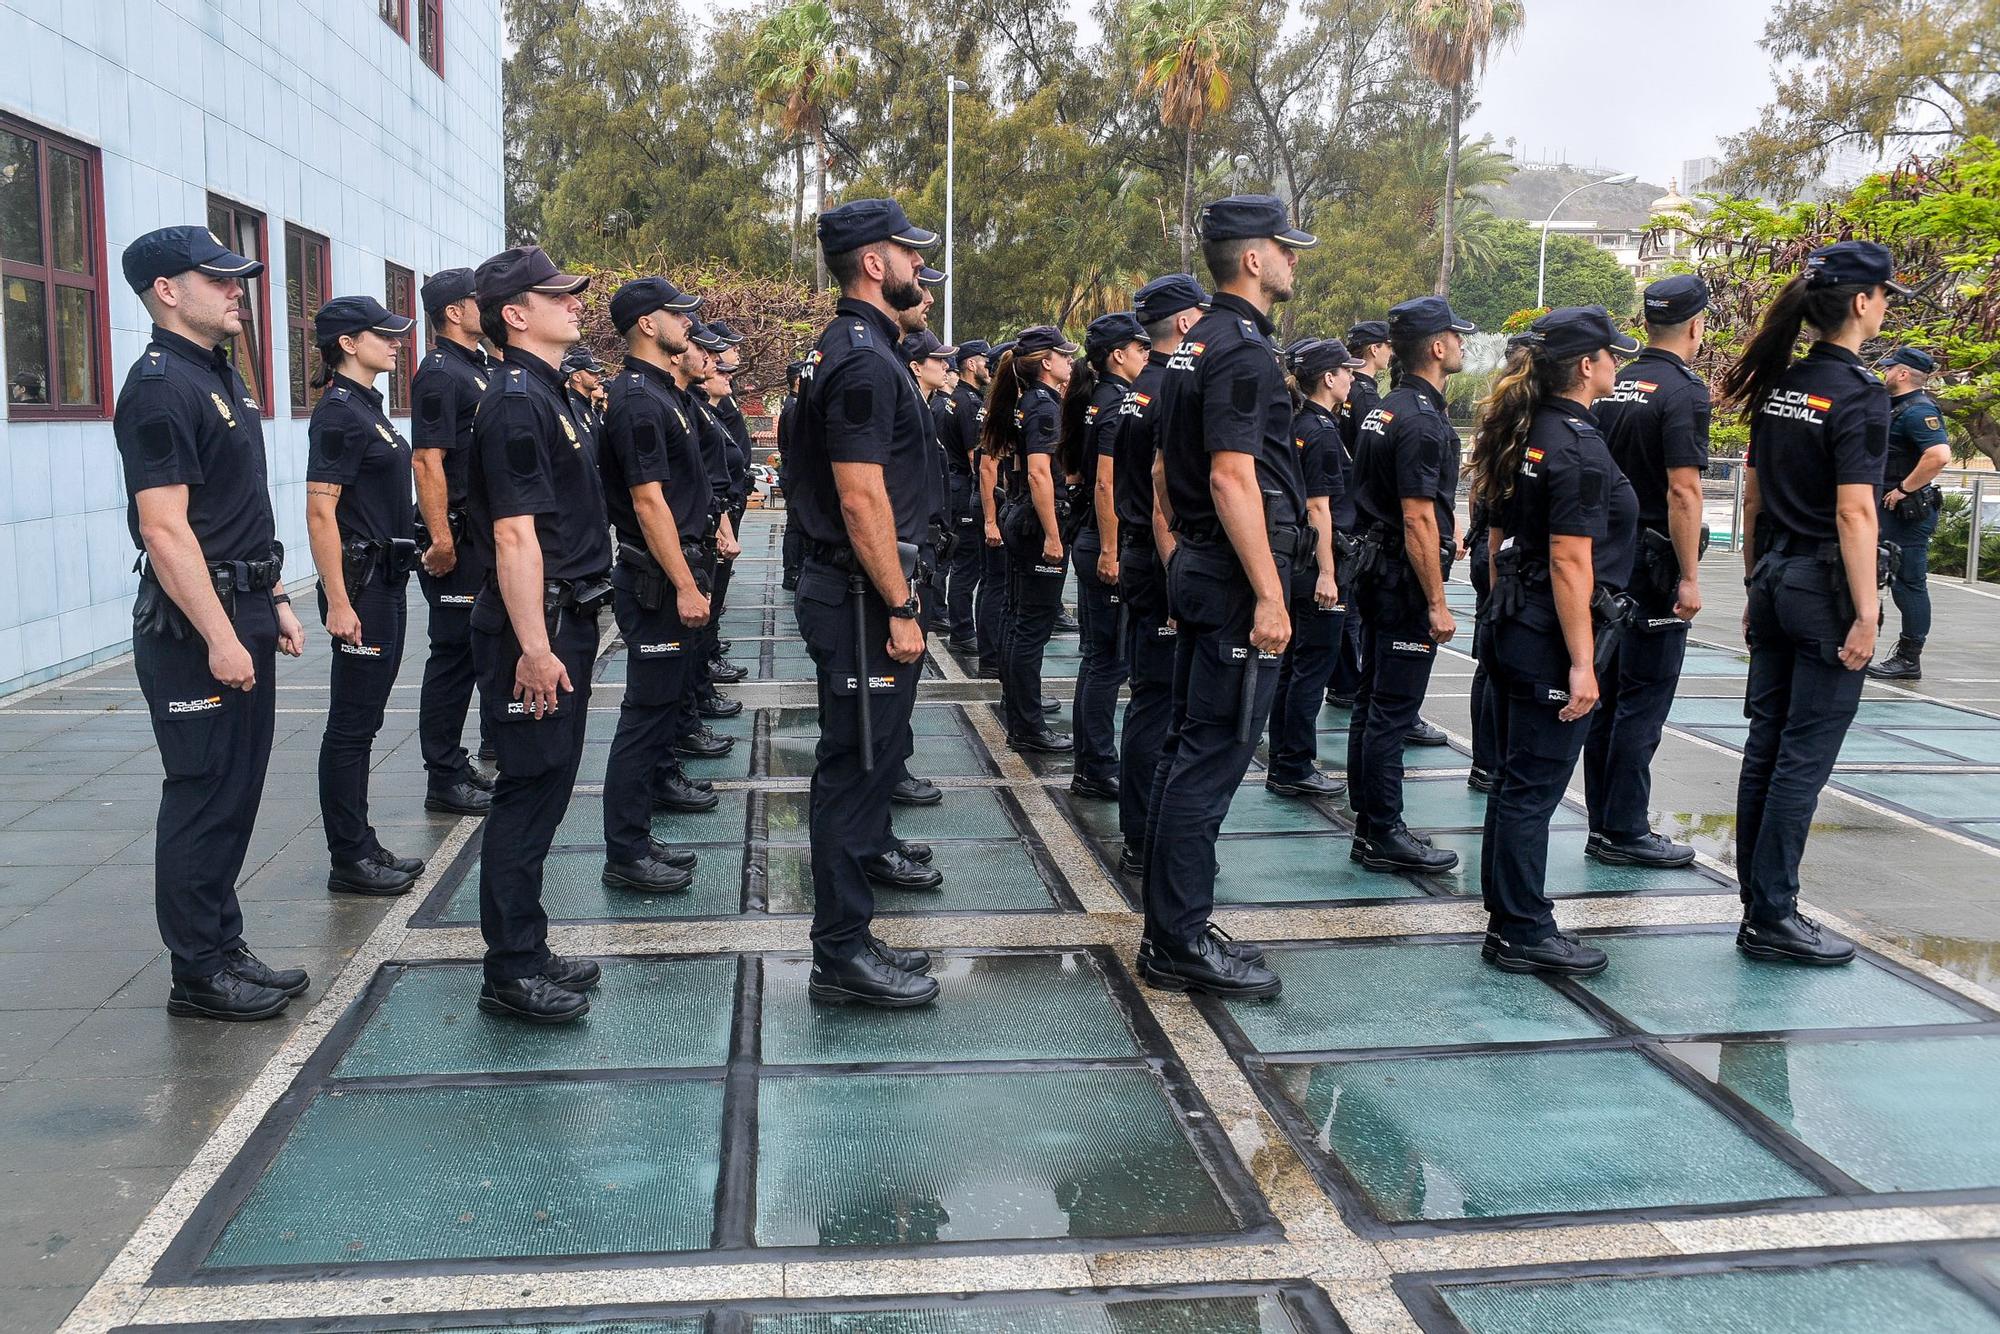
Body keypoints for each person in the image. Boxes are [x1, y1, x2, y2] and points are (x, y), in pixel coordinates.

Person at [114, 226, 309, 1021]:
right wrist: (223, 637)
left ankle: (223, 947)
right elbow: (165, 529)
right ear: (168, 290)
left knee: (234, 793)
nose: (238, 291)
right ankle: (197, 973)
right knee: (200, 793)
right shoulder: (160, 386)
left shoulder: (219, 377)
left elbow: (236, 506)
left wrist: (278, 599)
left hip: (247, 604)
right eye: (220, 280)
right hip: (197, 630)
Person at [1141, 194, 1315, 999]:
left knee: (1191, 753)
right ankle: (1176, 942)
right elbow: (1229, 475)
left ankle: (1177, 928)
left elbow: (1170, 476)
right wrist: (1270, 595)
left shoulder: (1193, 343)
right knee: (1209, 762)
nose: (1293, 260)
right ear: (1253, 258)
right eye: (1285, 248)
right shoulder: (1239, 351)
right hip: (1236, 576)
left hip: (1207, 564)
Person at [1718, 240, 1902, 966]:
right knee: (1801, 757)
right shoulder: (1860, 391)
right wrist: (1865, 612)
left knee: (1766, 748)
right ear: (1861, 302)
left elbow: (1755, 496)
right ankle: (1772, 914)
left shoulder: (1784, 383)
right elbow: (1857, 512)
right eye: (1886, 296)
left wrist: (1756, 583)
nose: (1886, 307)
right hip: (1823, 589)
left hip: (1775, 581)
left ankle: (1757, 903)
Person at [787, 198, 947, 1007]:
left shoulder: (866, 349)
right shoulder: (861, 358)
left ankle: (852, 932)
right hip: (858, 600)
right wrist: (899, 603)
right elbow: (859, 498)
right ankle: (840, 955)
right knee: (852, 769)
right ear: (872, 264)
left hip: (862, 593)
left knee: (868, 762)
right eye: (908, 253)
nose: (921, 265)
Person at [1470, 307, 1640, 976]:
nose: (1619, 367)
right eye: (1612, 357)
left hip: (1519, 620)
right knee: (1531, 789)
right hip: (1548, 633)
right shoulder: (1572, 443)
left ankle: (1511, 920)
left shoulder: (1531, 430)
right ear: (1587, 367)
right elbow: (1572, 559)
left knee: (1517, 784)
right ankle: (1520, 929)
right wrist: (1581, 664)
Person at [466, 245, 611, 1023]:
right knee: (526, 797)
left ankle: (528, 945)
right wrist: (534, 646)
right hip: (539, 625)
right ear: (515, 314)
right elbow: (516, 535)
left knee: (546, 793)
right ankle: (511, 970)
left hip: (561, 618)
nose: (575, 303)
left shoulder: (547, 393)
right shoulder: (518, 399)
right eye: (557, 295)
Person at [1581, 275, 1713, 867]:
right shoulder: (1684, 392)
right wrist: (1689, 574)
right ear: (1696, 325)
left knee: (1606, 693)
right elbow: (1684, 490)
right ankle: (1626, 829)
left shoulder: (1617, 379)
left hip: (1605, 555)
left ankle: (1602, 821)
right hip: (1654, 559)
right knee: (1643, 698)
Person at [303, 295, 426, 897]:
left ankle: (362, 843)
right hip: (363, 586)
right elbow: (321, 513)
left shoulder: (369, 408)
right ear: (348, 343)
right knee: (350, 727)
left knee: (366, 722)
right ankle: (348, 856)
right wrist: (338, 601)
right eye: (385, 334)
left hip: (389, 578)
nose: (396, 342)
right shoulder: (339, 414)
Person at [1347, 297, 1471, 875]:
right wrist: (1437, 601)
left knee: (1373, 705)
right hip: (1401, 579)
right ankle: (1382, 832)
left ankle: (1370, 824)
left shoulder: (1388, 407)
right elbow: (1417, 515)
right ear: (1437, 347)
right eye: (1456, 337)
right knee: (1391, 710)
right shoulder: (1420, 418)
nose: (1463, 346)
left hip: (1380, 569)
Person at [597, 276, 712, 893]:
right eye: (678, 313)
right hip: (657, 579)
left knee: (659, 709)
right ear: (648, 324)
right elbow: (648, 503)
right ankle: (626, 851)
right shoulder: (638, 398)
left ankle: (637, 837)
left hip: (675, 569)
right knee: (644, 715)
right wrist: (684, 585)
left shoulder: (662, 392)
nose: (688, 323)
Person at [1115, 274, 1208, 880]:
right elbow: (1159, 489)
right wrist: (1179, 573)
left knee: (1150, 699)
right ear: (1181, 323)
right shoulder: (1168, 387)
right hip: (1159, 556)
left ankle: (1141, 827)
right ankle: (1147, 833)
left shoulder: (1140, 389)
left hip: (1141, 553)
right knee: (1158, 703)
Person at [410, 269, 495, 816]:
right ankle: (441, 773)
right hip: (457, 538)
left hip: (481, 535)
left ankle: (455, 760)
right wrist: (441, 538)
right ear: (457, 313)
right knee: (452, 657)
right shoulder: (440, 373)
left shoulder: (474, 369)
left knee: (473, 653)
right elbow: (427, 459)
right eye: (478, 302)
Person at [1266, 337, 1360, 799]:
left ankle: (1285, 757)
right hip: (1320, 559)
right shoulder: (1320, 431)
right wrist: (1328, 573)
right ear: (1328, 378)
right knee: (1311, 669)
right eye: (1347, 371)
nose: (1353, 379)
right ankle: (1294, 764)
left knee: (1293, 667)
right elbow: (1318, 508)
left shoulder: (1300, 422)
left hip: (1299, 558)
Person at [1066, 312, 1149, 799]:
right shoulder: (1116, 405)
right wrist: (1113, 550)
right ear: (1118, 355)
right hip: (1105, 542)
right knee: (1107, 662)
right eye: (1139, 349)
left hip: (1095, 539)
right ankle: (1096, 766)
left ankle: (1090, 763)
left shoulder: (1100, 400)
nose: (1145, 356)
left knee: (1099, 659)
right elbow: (1105, 483)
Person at [986, 326, 1080, 752]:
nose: (1069, 362)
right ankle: (1027, 724)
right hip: (1036, 520)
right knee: (1031, 627)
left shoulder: (1031, 402)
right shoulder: (1043, 405)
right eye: (1063, 355)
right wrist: (1054, 536)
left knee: (1017, 616)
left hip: (1021, 514)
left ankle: (1018, 705)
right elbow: (1041, 473)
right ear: (1046, 362)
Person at [1867, 347, 1952, 680]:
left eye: (1890, 369)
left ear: (1902, 374)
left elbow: (1939, 455)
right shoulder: (1896, 406)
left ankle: (1908, 658)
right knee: (1878, 576)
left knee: (1908, 585)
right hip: (1888, 509)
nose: (1884, 373)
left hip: (1906, 514)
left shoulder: (1918, 410)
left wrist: (1904, 488)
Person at [1328, 320, 1389, 708]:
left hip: (1346, 506)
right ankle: (1348, 683)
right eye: (1386, 346)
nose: (1390, 353)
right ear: (1374, 350)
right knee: (1349, 611)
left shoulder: (1355, 396)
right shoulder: (1365, 396)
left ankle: (1345, 680)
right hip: (1355, 511)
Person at [940, 339, 991, 651]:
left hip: (954, 485)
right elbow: (976, 457)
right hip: (963, 487)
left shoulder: (955, 398)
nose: (988, 367)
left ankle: (960, 628)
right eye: (984, 361)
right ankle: (962, 632)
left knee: (960, 563)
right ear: (971, 364)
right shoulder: (970, 403)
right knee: (966, 565)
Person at [974, 340, 1016, 678]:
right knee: (995, 584)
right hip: (998, 503)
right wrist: (991, 520)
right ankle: (991, 658)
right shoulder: (1000, 408)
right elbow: (987, 467)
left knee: (996, 584)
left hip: (1001, 504)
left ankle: (995, 657)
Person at [779, 358, 807, 591]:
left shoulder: (794, 405)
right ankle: (793, 572)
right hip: (796, 474)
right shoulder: (795, 408)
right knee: (796, 526)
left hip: (794, 473)